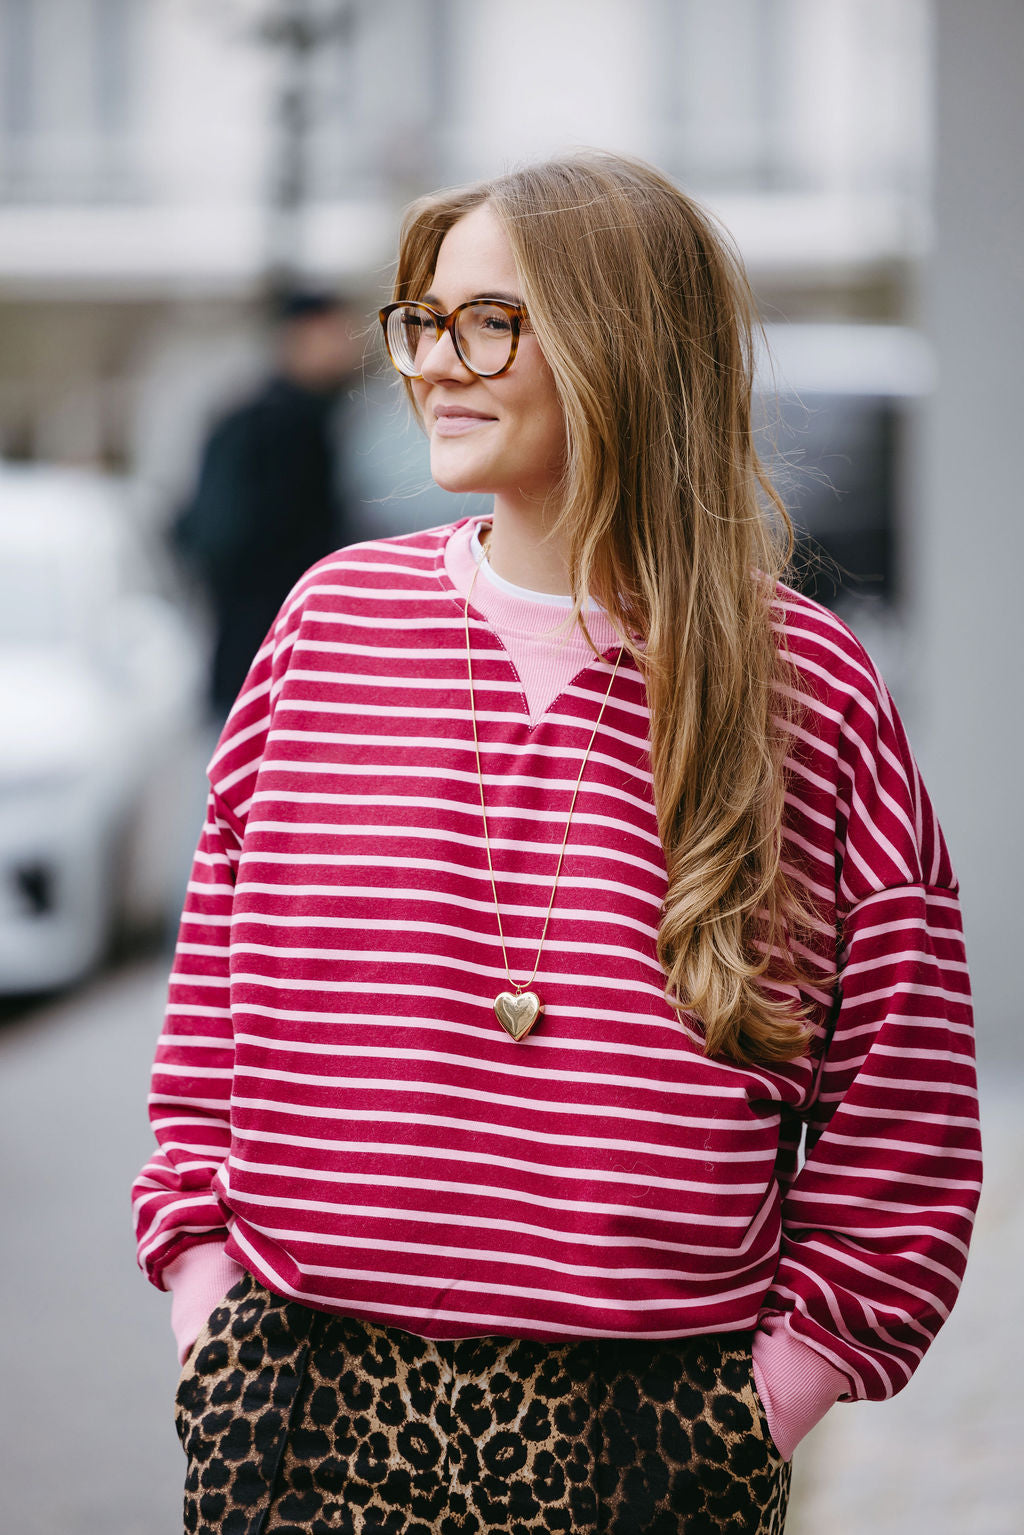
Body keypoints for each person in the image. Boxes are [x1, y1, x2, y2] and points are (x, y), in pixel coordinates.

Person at [133, 152, 981, 1535]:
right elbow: (210, 1008)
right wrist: (207, 1309)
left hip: (652, 1435)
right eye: (423, 321)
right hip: (299, 1401)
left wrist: (761, 1402)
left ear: (621, 344)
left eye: (488, 321)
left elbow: (907, 1106)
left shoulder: (805, 688)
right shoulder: (330, 628)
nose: (433, 363)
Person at [172, 290, 361, 719]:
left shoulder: (286, 417)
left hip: (254, 656)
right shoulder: (286, 426)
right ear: (298, 337)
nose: (346, 349)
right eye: (335, 334)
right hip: (276, 656)